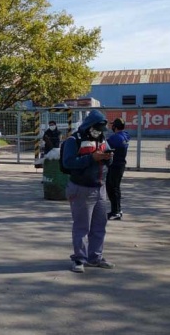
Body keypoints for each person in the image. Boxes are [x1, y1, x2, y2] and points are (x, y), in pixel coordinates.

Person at [62, 110, 114, 273]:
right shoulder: (74, 140)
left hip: (100, 187)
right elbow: (68, 162)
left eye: (101, 129)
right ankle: (79, 259)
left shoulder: (102, 139)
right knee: (82, 226)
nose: (99, 132)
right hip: (81, 188)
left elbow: (109, 159)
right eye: (97, 128)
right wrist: (92, 158)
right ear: (89, 126)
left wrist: (108, 157)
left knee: (100, 225)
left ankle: (95, 257)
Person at [106, 118, 130, 221]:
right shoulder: (125, 135)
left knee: (112, 188)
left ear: (115, 127)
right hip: (120, 165)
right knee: (115, 187)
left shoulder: (115, 138)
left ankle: (116, 212)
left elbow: (105, 146)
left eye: (113, 125)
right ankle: (117, 210)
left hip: (115, 165)